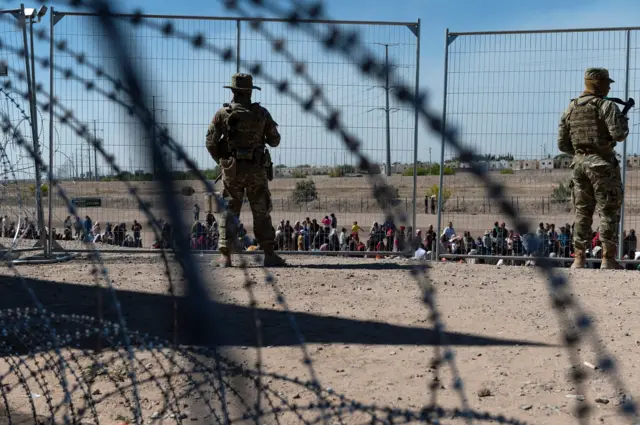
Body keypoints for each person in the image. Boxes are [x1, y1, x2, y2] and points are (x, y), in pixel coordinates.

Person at [205, 73, 286, 267]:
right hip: (257, 169)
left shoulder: (222, 114)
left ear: (233, 91)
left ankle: (226, 256)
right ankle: (268, 254)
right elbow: (275, 140)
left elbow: (210, 142)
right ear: (250, 91)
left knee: (230, 210)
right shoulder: (262, 113)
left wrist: (223, 162)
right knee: (261, 210)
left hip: (232, 170)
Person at [557, 67, 629, 269]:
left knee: (582, 212)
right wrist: (621, 122)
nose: (608, 87)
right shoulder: (605, 106)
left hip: (579, 166)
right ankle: (608, 258)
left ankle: (578, 258)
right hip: (603, 166)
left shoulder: (570, 108)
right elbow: (619, 134)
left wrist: (582, 153)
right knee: (608, 211)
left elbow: (562, 145)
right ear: (597, 83)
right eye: (607, 83)